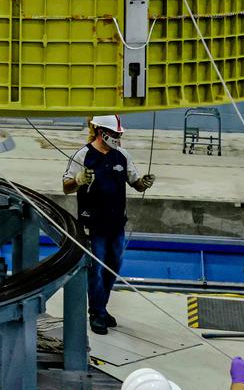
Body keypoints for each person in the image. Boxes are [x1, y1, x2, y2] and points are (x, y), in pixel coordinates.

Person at [62, 114, 155, 335]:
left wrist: (144, 183)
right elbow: (66, 186)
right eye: (114, 134)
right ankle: (96, 313)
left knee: (112, 268)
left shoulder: (122, 156)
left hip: (116, 225)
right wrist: (78, 181)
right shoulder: (83, 156)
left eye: (119, 134)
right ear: (102, 132)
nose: (117, 137)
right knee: (96, 269)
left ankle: (101, 307)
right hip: (93, 226)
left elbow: (135, 183)